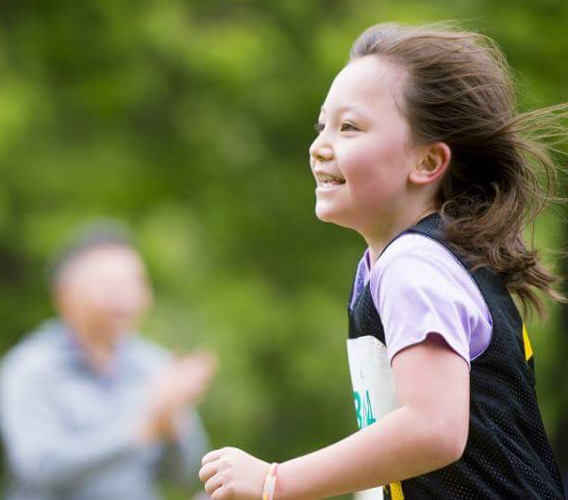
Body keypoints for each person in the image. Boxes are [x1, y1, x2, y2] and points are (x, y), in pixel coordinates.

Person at [199, 22, 567, 499]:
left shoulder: (412, 265)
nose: (319, 147)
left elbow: (433, 428)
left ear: (427, 163)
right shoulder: (403, 262)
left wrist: (275, 482)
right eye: (322, 126)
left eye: (349, 127)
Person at [0, 221, 216, 500]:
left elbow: (183, 473)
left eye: (134, 283)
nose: (125, 297)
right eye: (110, 285)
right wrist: (139, 431)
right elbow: (38, 467)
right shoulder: (30, 367)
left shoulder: (154, 363)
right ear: (64, 295)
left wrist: (171, 422)